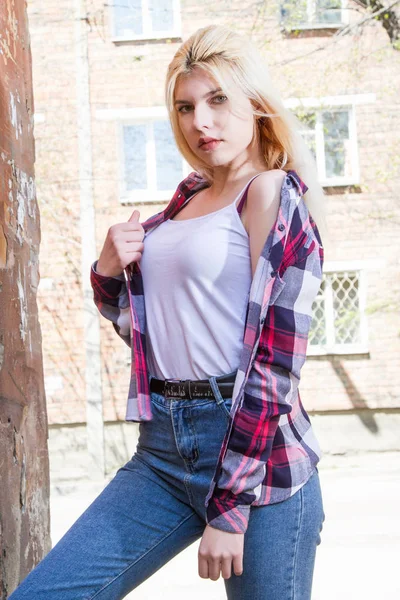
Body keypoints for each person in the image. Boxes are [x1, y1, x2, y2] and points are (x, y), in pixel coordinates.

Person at [10, 24, 327, 600]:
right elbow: (147, 329)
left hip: (257, 459)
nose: (200, 122)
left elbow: (276, 363)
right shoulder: (186, 196)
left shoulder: (273, 194)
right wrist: (107, 271)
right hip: (163, 449)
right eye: (185, 107)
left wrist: (231, 504)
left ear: (255, 105)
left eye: (217, 101)